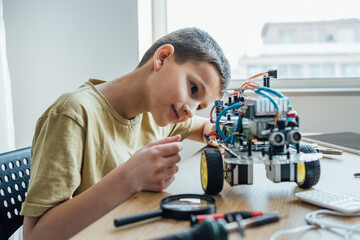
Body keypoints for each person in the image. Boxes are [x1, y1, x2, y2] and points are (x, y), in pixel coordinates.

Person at [20, 27, 230, 240]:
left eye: (199, 106)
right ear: (163, 58)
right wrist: (129, 179)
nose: (190, 110)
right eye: (193, 88)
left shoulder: (158, 115)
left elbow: (203, 127)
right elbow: (36, 235)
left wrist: (222, 130)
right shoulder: (73, 113)